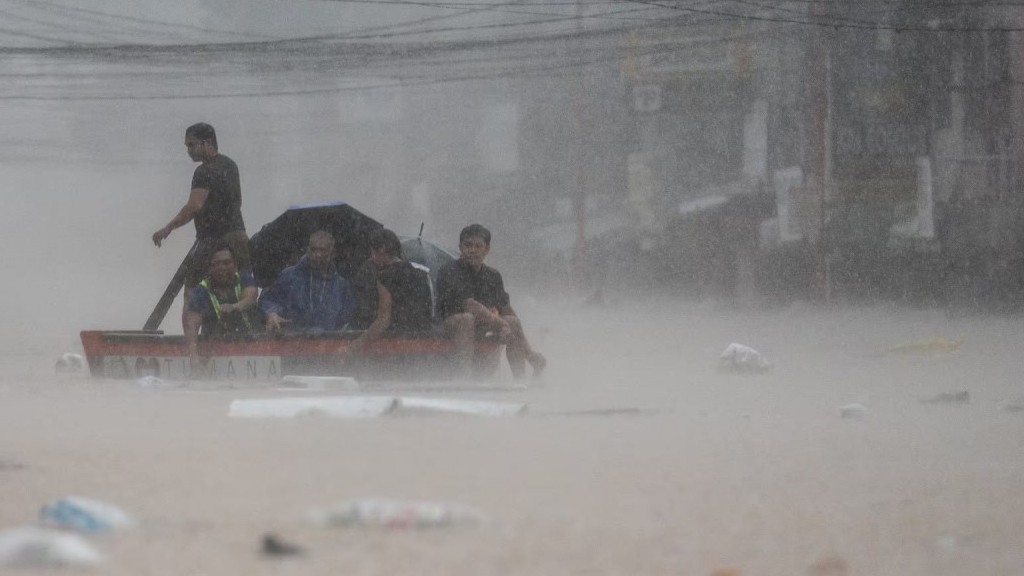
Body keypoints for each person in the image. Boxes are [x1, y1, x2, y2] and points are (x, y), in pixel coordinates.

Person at [151, 122, 250, 328]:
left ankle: (190, 341)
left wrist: (168, 228)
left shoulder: (204, 171)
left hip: (212, 239)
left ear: (206, 143)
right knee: (241, 285)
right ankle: (243, 332)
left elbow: (195, 206)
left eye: (191, 145)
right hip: (238, 237)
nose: (188, 151)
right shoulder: (231, 165)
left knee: (191, 291)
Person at [436, 223, 546, 379]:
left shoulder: (493, 276)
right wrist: (501, 324)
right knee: (466, 319)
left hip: (481, 325)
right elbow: (470, 305)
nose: (472, 250)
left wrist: (524, 345)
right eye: (468, 245)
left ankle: (520, 380)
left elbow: (505, 308)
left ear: (487, 249)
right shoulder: (449, 271)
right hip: (451, 325)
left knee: (513, 321)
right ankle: (464, 378)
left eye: (477, 246)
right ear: (460, 247)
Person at [342, 229, 433, 357]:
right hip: (420, 342)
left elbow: (384, 319)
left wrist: (355, 345)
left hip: (395, 344)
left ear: (382, 250)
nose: (371, 258)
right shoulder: (421, 275)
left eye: (373, 252)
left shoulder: (386, 277)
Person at [183, 243, 260, 376]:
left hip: (250, 344)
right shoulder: (200, 292)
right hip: (215, 347)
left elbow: (251, 296)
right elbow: (191, 328)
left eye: (226, 263)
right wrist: (194, 357)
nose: (222, 268)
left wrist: (234, 307)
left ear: (235, 265)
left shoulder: (245, 279)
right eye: (217, 264)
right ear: (210, 268)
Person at [259, 230, 355, 333]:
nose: (318, 254)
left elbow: (347, 319)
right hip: (291, 341)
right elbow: (267, 300)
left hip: (328, 343)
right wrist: (272, 314)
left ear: (333, 253)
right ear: (308, 250)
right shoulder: (289, 276)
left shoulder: (341, 286)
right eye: (314, 250)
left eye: (323, 250)